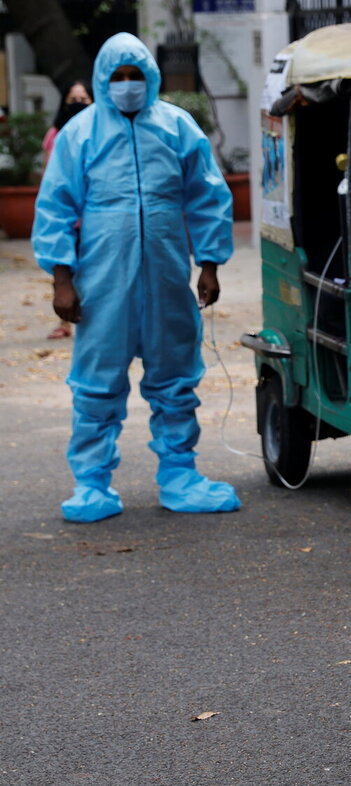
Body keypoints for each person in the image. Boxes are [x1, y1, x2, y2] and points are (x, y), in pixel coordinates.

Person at [32, 33, 240, 523]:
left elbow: (207, 196)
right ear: (104, 80)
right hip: (102, 276)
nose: (128, 85)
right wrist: (61, 280)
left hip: (168, 272)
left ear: (151, 77)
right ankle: (91, 484)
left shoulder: (176, 126)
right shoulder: (80, 134)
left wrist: (208, 264)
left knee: (175, 377)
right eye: (118, 77)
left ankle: (180, 475)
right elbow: (56, 207)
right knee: (97, 382)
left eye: (136, 76)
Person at [42, 79, 93, 340]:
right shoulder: (57, 136)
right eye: (73, 100)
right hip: (69, 218)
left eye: (83, 99)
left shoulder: (102, 135)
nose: (78, 105)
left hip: (94, 220)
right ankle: (65, 319)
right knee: (64, 269)